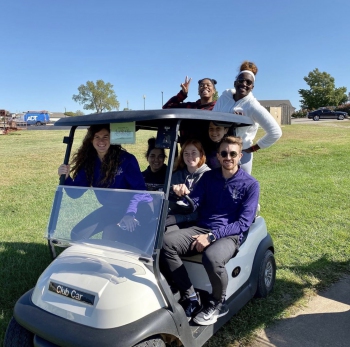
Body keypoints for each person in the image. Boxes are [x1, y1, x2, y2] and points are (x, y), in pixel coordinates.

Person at [161, 136, 259, 325]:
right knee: (165, 243)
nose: (228, 157)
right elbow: (195, 203)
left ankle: (217, 303)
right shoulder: (209, 177)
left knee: (212, 257)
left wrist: (212, 236)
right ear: (218, 156)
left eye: (232, 154)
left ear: (240, 156)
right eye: (224, 153)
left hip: (229, 234)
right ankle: (190, 296)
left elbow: (243, 223)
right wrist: (182, 193)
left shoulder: (250, 185)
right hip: (202, 226)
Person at [58, 124, 151, 240]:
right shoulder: (90, 163)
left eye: (105, 137)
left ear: (112, 139)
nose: (101, 141)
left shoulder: (126, 159)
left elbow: (139, 191)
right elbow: (75, 193)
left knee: (117, 235)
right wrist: (66, 178)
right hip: (112, 209)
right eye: (97, 137)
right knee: (77, 234)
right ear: (91, 139)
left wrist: (130, 214)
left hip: (138, 208)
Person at [213, 61, 282, 174]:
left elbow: (275, 132)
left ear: (252, 87)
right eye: (241, 80)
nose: (244, 84)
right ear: (235, 82)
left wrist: (254, 148)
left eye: (248, 82)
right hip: (221, 151)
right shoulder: (225, 96)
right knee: (218, 186)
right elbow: (214, 118)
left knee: (241, 188)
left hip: (241, 154)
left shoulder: (252, 105)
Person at [166, 139, 210, 228]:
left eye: (194, 153)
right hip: (175, 217)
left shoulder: (209, 176)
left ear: (201, 154)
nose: (190, 156)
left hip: (198, 222)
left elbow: (207, 209)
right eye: (186, 153)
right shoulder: (176, 175)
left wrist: (178, 218)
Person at [163, 76, 218, 145]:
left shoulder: (218, 108)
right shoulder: (190, 107)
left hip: (210, 152)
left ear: (214, 91)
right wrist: (182, 94)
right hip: (187, 151)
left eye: (208, 85)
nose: (205, 87)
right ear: (198, 92)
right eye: (201, 85)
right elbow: (167, 107)